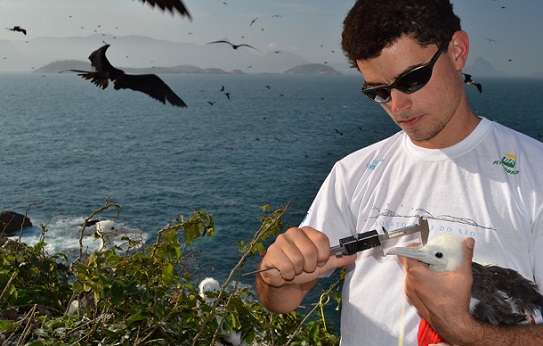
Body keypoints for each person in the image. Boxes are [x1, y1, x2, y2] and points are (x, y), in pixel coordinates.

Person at [255, 0, 543, 345]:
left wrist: (467, 333)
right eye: (378, 91)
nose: (397, 105)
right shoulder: (354, 171)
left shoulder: (535, 173)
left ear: (457, 51)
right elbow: (283, 300)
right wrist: (277, 278)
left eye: (412, 79)